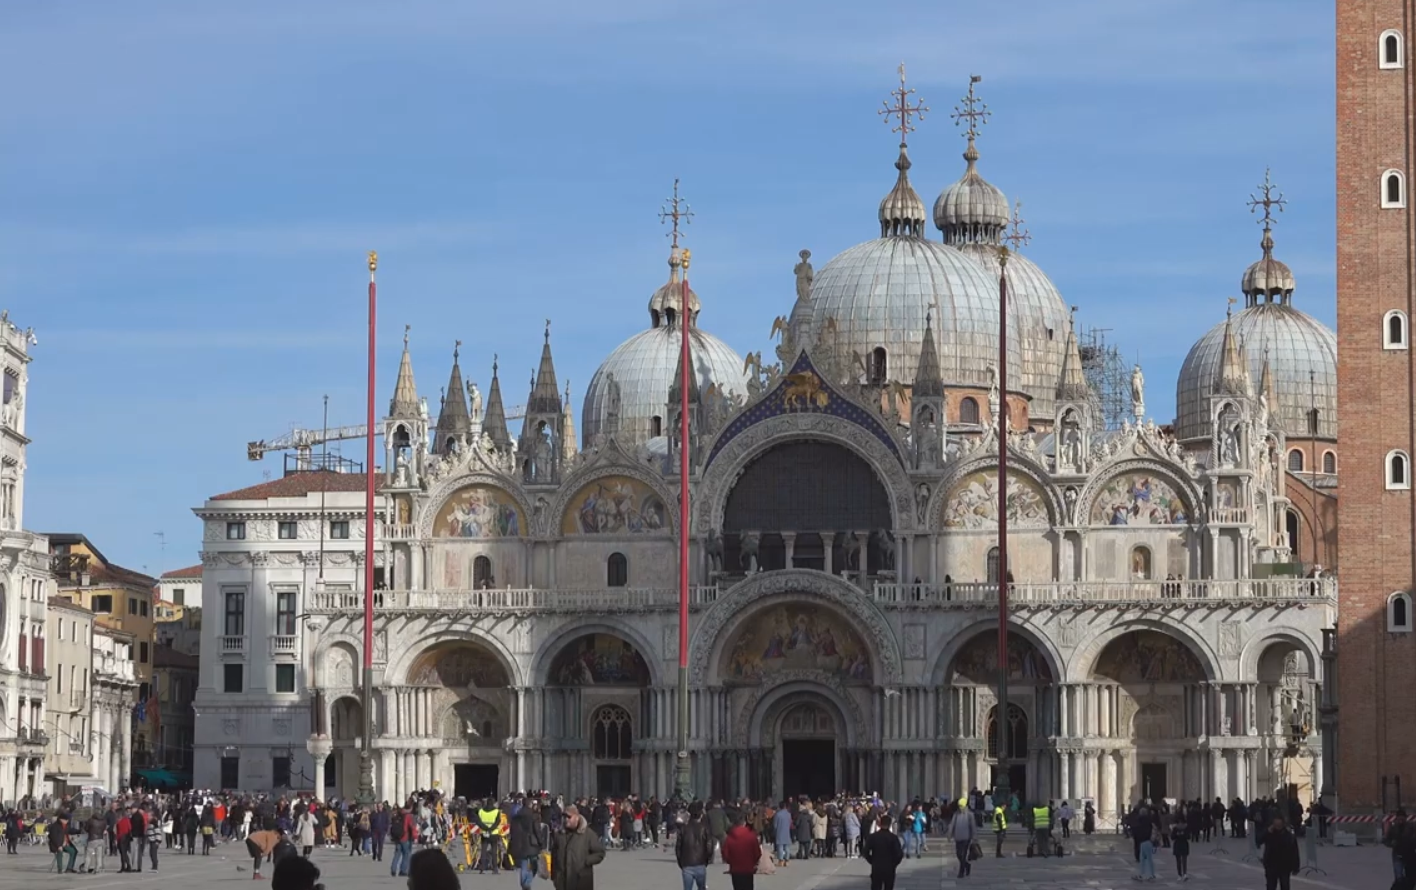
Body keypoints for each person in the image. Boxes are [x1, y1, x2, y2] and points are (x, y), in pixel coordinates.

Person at [551, 804, 605, 890]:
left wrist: (586, 860)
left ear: (576, 817)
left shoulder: (588, 834)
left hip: (581, 880)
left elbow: (600, 853)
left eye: (569, 817)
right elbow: (554, 855)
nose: (566, 820)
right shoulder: (559, 834)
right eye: (564, 817)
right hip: (562, 881)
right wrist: (554, 875)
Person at [676, 801, 713, 890]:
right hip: (700, 862)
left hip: (687, 864)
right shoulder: (705, 828)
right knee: (701, 887)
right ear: (701, 815)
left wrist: (681, 862)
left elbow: (678, 848)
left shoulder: (683, 829)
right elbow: (709, 847)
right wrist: (707, 860)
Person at [509, 797, 545, 890]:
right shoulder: (534, 816)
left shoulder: (516, 816)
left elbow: (512, 830)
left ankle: (524, 883)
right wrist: (541, 842)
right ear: (530, 804)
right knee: (534, 865)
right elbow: (537, 830)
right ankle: (527, 882)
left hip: (520, 843)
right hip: (531, 843)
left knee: (524, 864)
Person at [1255, 817, 1300, 890]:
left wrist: (1296, 867)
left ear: (1283, 825)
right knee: (1271, 886)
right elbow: (1259, 841)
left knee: (1285, 885)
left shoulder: (1288, 835)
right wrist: (1267, 832)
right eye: (1276, 825)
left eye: (1279, 825)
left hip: (1285, 865)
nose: (1277, 827)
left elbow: (1294, 852)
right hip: (1271, 864)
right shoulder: (1269, 834)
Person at [862, 813, 904, 890]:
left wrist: (872, 860)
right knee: (888, 887)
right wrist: (894, 863)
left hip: (876, 866)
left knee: (876, 886)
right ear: (890, 824)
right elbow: (899, 854)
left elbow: (865, 851)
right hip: (889, 867)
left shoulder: (873, 837)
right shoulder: (893, 838)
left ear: (880, 823)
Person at [720, 813, 761, 890]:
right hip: (748, 869)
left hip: (735, 869)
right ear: (744, 822)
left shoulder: (730, 837)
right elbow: (757, 852)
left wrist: (731, 861)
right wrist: (754, 862)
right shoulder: (751, 836)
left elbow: (725, 853)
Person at [945, 801, 977, 878]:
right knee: (958, 854)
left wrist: (974, 837)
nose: (960, 808)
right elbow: (952, 824)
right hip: (958, 837)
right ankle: (967, 865)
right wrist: (949, 835)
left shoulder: (970, 815)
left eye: (962, 806)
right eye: (959, 806)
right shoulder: (956, 814)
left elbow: (973, 827)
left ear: (965, 806)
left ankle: (961, 872)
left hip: (966, 838)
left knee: (963, 855)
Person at [389, 806, 416, 878]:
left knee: (397, 854)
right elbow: (412, 827)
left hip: (397, 838)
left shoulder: (398, 815)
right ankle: (403, 870)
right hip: (405, 838)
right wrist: (415, 836)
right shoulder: (408, 816)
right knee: (406, 854)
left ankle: (393, 869)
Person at [1131, 806, 1155, 882]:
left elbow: (1136, 831)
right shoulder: (1149, 821)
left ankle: (1146, 874)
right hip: (1148, 841)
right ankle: (1146, 874)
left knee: (1143, 859)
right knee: (1148, 859)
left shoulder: (1140, 821)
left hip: (1142, 841)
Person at [1172, 814, 1190, 882]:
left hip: (1177, 844)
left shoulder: (1175, 828)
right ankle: (1184, 873)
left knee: (1179, 861)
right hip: (1184, 844)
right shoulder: (1186, 827)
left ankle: (1179, 874)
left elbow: (1172, 837)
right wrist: (1183, 835)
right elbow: (1188, 837)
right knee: (1184, 860)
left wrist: (1177, 835)